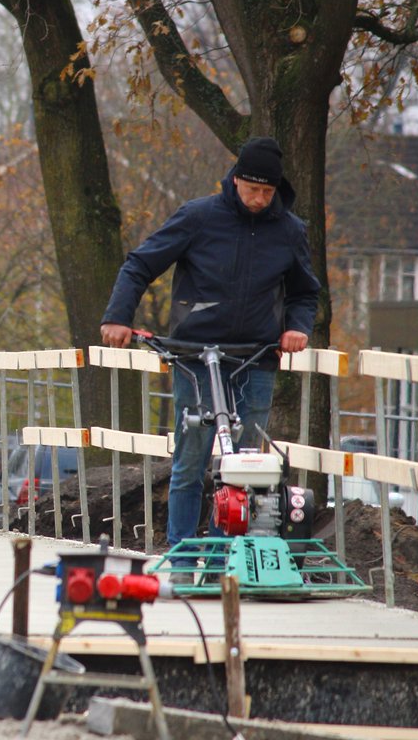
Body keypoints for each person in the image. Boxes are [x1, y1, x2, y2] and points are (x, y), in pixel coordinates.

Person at [99, 137, 320, 579]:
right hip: (196, 356)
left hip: (255, 356)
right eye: (252, 190)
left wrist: (298, 328)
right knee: (191, 459)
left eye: (267, 193)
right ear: (236, 180)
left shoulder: (290, 230)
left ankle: (228, 558)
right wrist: (118, 316)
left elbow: (304, 291)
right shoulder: (199, 217)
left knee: (246, 464)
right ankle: (182, 556)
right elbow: (139, 265)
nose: (259, 200)